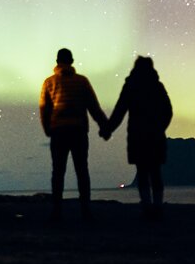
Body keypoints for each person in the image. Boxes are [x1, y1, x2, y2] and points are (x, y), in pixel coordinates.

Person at [39, 47, 108, 222]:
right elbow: (93, 106)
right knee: (82, 171)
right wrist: (104, 126)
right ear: (71, 61)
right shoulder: (82, 81)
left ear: (57, 62)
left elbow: (44, 109)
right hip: (78, 131)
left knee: (58, 172)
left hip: (58, 132)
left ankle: (56, 211)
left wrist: (48, 128)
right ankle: (86, 210)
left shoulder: (49, 83)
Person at [102, 56, 172, 221]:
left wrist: (108, 129)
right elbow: (168, 111)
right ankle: (157, 207)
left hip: (138, 136)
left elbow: (120, 110)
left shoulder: (131, 86)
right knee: (155, 172)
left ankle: (147, 207)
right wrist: (160, 127)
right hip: (155, 136)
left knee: (142, 172)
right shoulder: (157, 86)